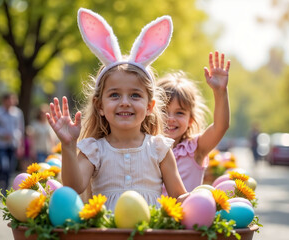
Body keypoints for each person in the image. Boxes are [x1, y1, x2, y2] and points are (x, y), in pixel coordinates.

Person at [46, 8, 187, 210]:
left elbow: (179, 196)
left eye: (135, 95)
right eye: (114, 95)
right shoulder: (94, 149)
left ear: (149, 107)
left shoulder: (158, 148)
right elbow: (73, 187)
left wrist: (205, 199)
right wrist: (68, 146)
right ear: (99, 106)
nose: (125, 102)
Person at [158, 51, 231, 193]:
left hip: (189, 215)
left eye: (179, 113)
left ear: (190, 120)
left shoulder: (195, 149)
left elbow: (221, 126)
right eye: (163, 111)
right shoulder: (146, 147)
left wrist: (220, 91)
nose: (171, 118)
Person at [0, 93, 24, 192]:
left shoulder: (18, 113)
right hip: (0, 145)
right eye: (8, 100)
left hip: (13, 144)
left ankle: (5, 189)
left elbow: (20, 129)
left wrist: (20, 145)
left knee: (10, 168)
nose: (10, 102)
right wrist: (3, 134)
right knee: (3, 166)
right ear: (4, 101)